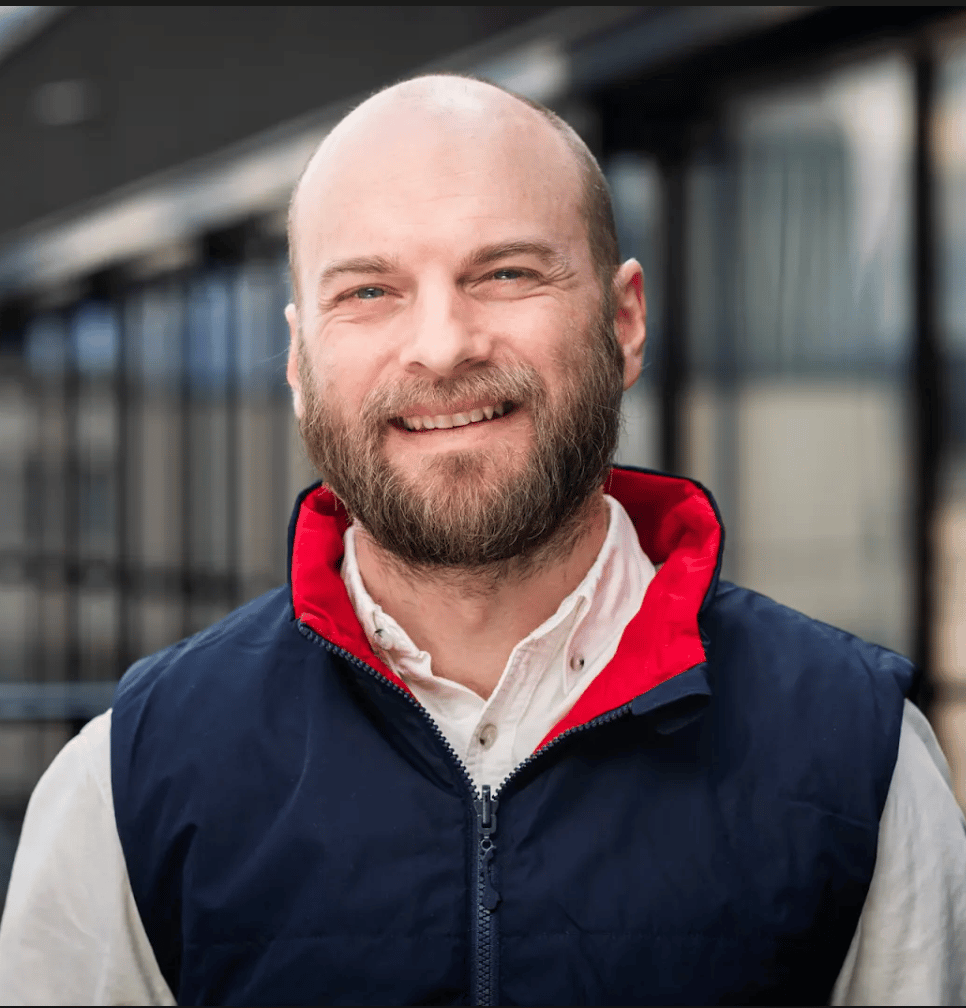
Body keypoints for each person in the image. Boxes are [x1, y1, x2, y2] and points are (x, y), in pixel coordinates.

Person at [0, 73, 964, 1008]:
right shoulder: (129, 779)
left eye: (505, 273)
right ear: (299, 358)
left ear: (624, 321)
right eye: (368, 291)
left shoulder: (862, 759)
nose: (442, 345)